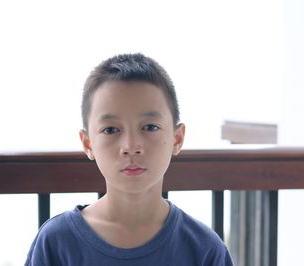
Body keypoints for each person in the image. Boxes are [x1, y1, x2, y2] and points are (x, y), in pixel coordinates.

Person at [25, 53, 233, 265]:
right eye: (111, 129)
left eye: (150, 127)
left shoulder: (204, 249)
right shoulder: (56, 242)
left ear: (176, 138)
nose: (131, 146)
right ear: (88, 143)